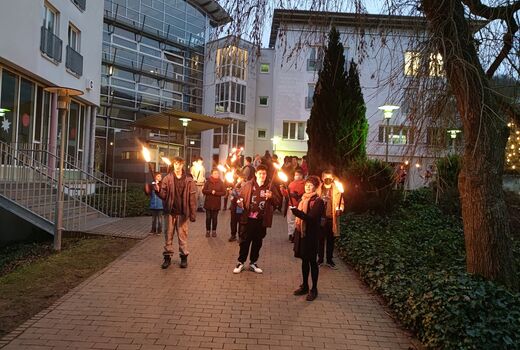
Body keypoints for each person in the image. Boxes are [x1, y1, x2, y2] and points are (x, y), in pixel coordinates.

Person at [233, 164, 282, 274]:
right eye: (260, 173)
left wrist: (272, 196)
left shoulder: (270, 186)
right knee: (245, 241)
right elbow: (240, 196)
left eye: (264, 173)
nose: (262, 175)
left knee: (257, 242)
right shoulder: (249, 184)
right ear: (256, 174)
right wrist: (239, 202)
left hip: (261, 220)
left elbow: (278, 202)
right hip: (248, 219)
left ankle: (253, 262)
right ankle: (240, 262)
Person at [155, 157, 197, 269]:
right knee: (168, 236)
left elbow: (192, 198)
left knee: (182, 236)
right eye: (176, 164)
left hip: (183, 213)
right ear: (173, 165)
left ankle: (183, 257)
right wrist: (157, 191)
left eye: (180, 164)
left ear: (183, 165)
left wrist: (193, 213)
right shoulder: (167, 178)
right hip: (170, 212)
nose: (177, 166)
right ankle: (167, 258)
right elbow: (163, 195)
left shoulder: (189, 179)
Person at [290, 176, 324, 301]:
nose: (308, 187)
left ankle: (314, 288)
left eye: (310, 185)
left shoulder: (318, 201)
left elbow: (311, 218)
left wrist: (297, 213)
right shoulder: (303, 198)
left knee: (312, 262)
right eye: (306, 184)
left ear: (315, 187)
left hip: (311, 235)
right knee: (304, 260)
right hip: (302, 234)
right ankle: (305, 285)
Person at [316, 170, 344, 269]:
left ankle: (329, 259)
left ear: (332, 178)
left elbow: (341, 203)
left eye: (330, 177)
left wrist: (340, 209)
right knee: (320, 240)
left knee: (331, 240)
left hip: (331, 219)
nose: (328, 179)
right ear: (322, 178)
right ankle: (320, 259)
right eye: (326, 177)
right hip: (320, 218)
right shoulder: (318, 189)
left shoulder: (337, 190)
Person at [281, 168, 305, 242]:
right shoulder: (291, 184)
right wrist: (282, 189)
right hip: (291, 205)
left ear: (302, 176)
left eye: (299, 175)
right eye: (296, 175)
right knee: (290, 221)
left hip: (300, 206)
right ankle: (291, 234)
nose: (297, 176)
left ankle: (296, 234)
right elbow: (287, 194)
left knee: (298, 221)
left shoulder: (304, 184)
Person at [202, 168, 226, 237]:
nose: (217, 174)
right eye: (215, 173)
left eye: (217, 173)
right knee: (208, 218)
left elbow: (224, 192)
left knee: (215, 218)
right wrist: (210, 191)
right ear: (212, 174)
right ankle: (208, 231)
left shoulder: (221, 182)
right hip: (208, 203)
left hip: (216, 203)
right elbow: (203, 191)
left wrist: (216, 193)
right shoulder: (208, 182)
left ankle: (214, 231)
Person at [228, 172, 245, 242]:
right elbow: (232, 196)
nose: (239, 180)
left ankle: (240, 236)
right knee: (233, 221)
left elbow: (241, 195)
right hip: (234, 205)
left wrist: (234, 193)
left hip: (240, 206)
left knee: (241, 221)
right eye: (238, 178)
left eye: (240, 178)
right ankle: (233, 235)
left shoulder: (245, 185)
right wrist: (231, 194)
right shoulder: (235, 185)